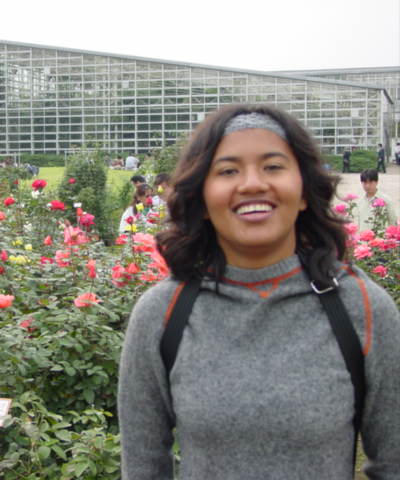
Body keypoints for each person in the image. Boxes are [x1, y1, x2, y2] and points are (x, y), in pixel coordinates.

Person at [118, 105, 400, 479]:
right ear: (202, 198)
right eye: (228, 170)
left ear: (303, 192)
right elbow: (142, 468)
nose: (252, 183)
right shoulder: (162, 313)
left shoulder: (360, 306)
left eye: (273, 166)